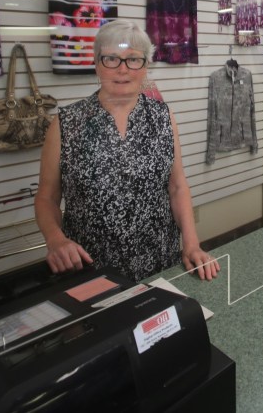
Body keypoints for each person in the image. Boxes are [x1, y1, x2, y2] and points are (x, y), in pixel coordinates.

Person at [35, 19, 220, 282]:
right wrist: (55, 240)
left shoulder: (163, 117)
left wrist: (191, 245)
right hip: (90, 268)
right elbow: (46, 198)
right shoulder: (66, 123)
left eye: (133, 59)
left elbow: (177, 187)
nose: (123, 70)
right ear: (97, 63)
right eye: (111, 58)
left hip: (159, 263)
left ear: (146, 66)